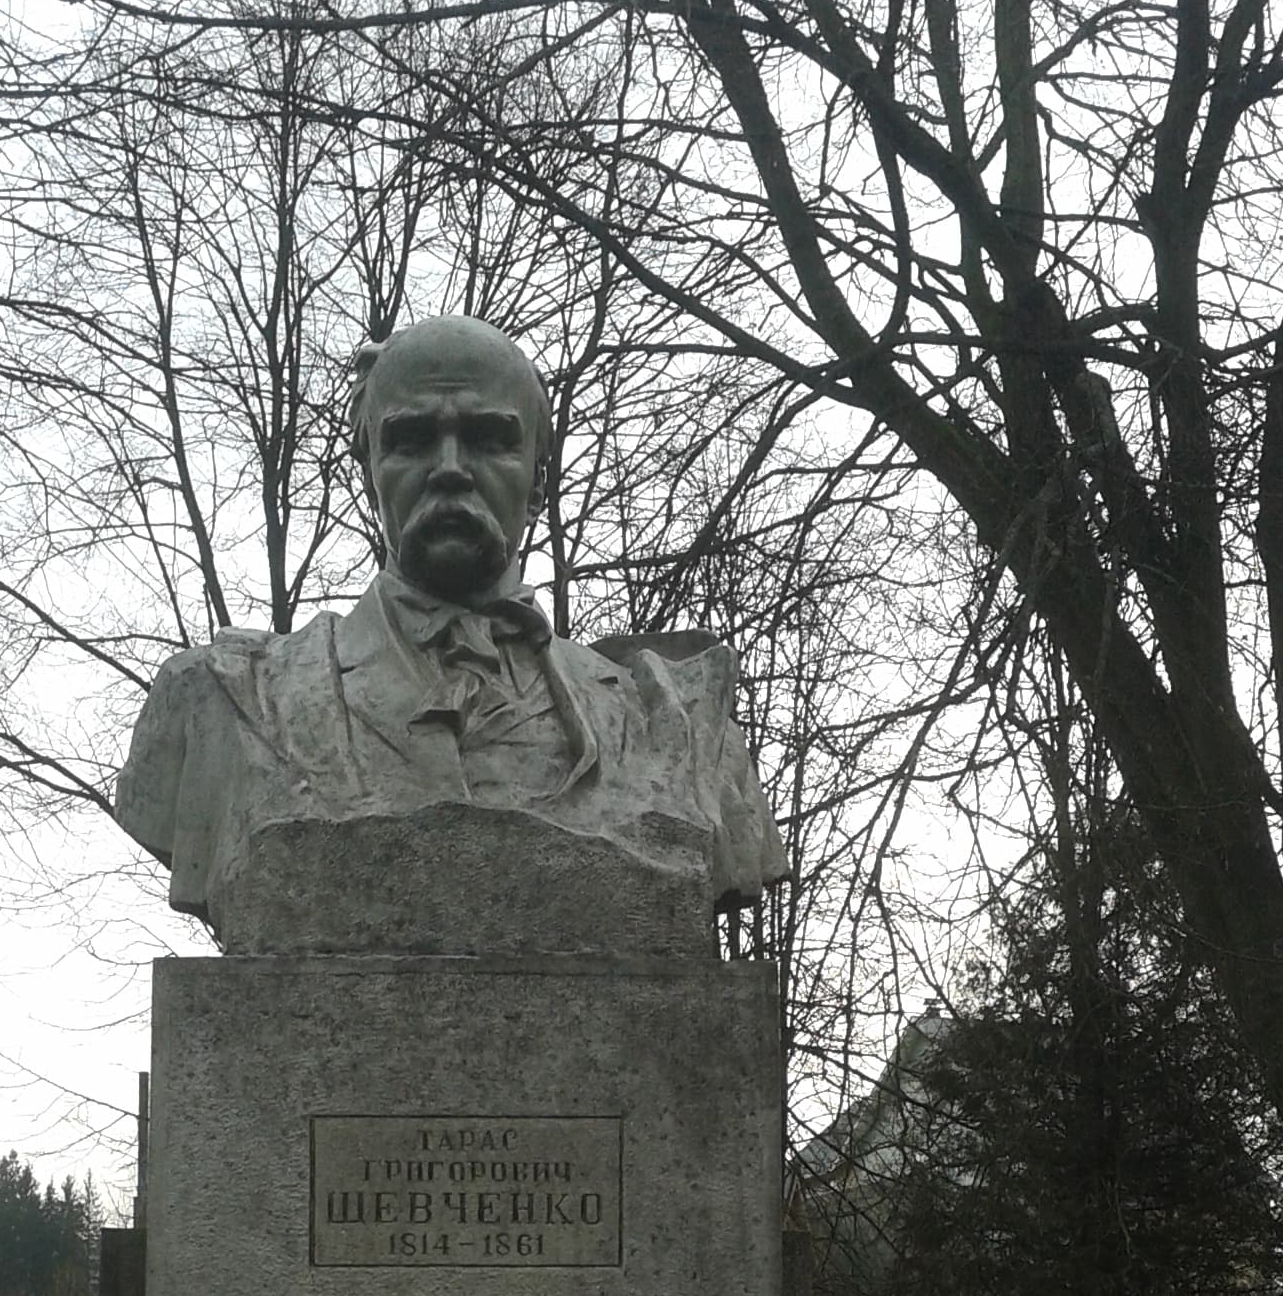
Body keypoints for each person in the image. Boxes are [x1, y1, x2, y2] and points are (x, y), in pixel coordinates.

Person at [114, 315, 787, 939]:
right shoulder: (229, 703)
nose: (450, 469)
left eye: (489, 439)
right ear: (369, 471)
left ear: (539, 477)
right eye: (410, 441)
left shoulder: (673, 728)